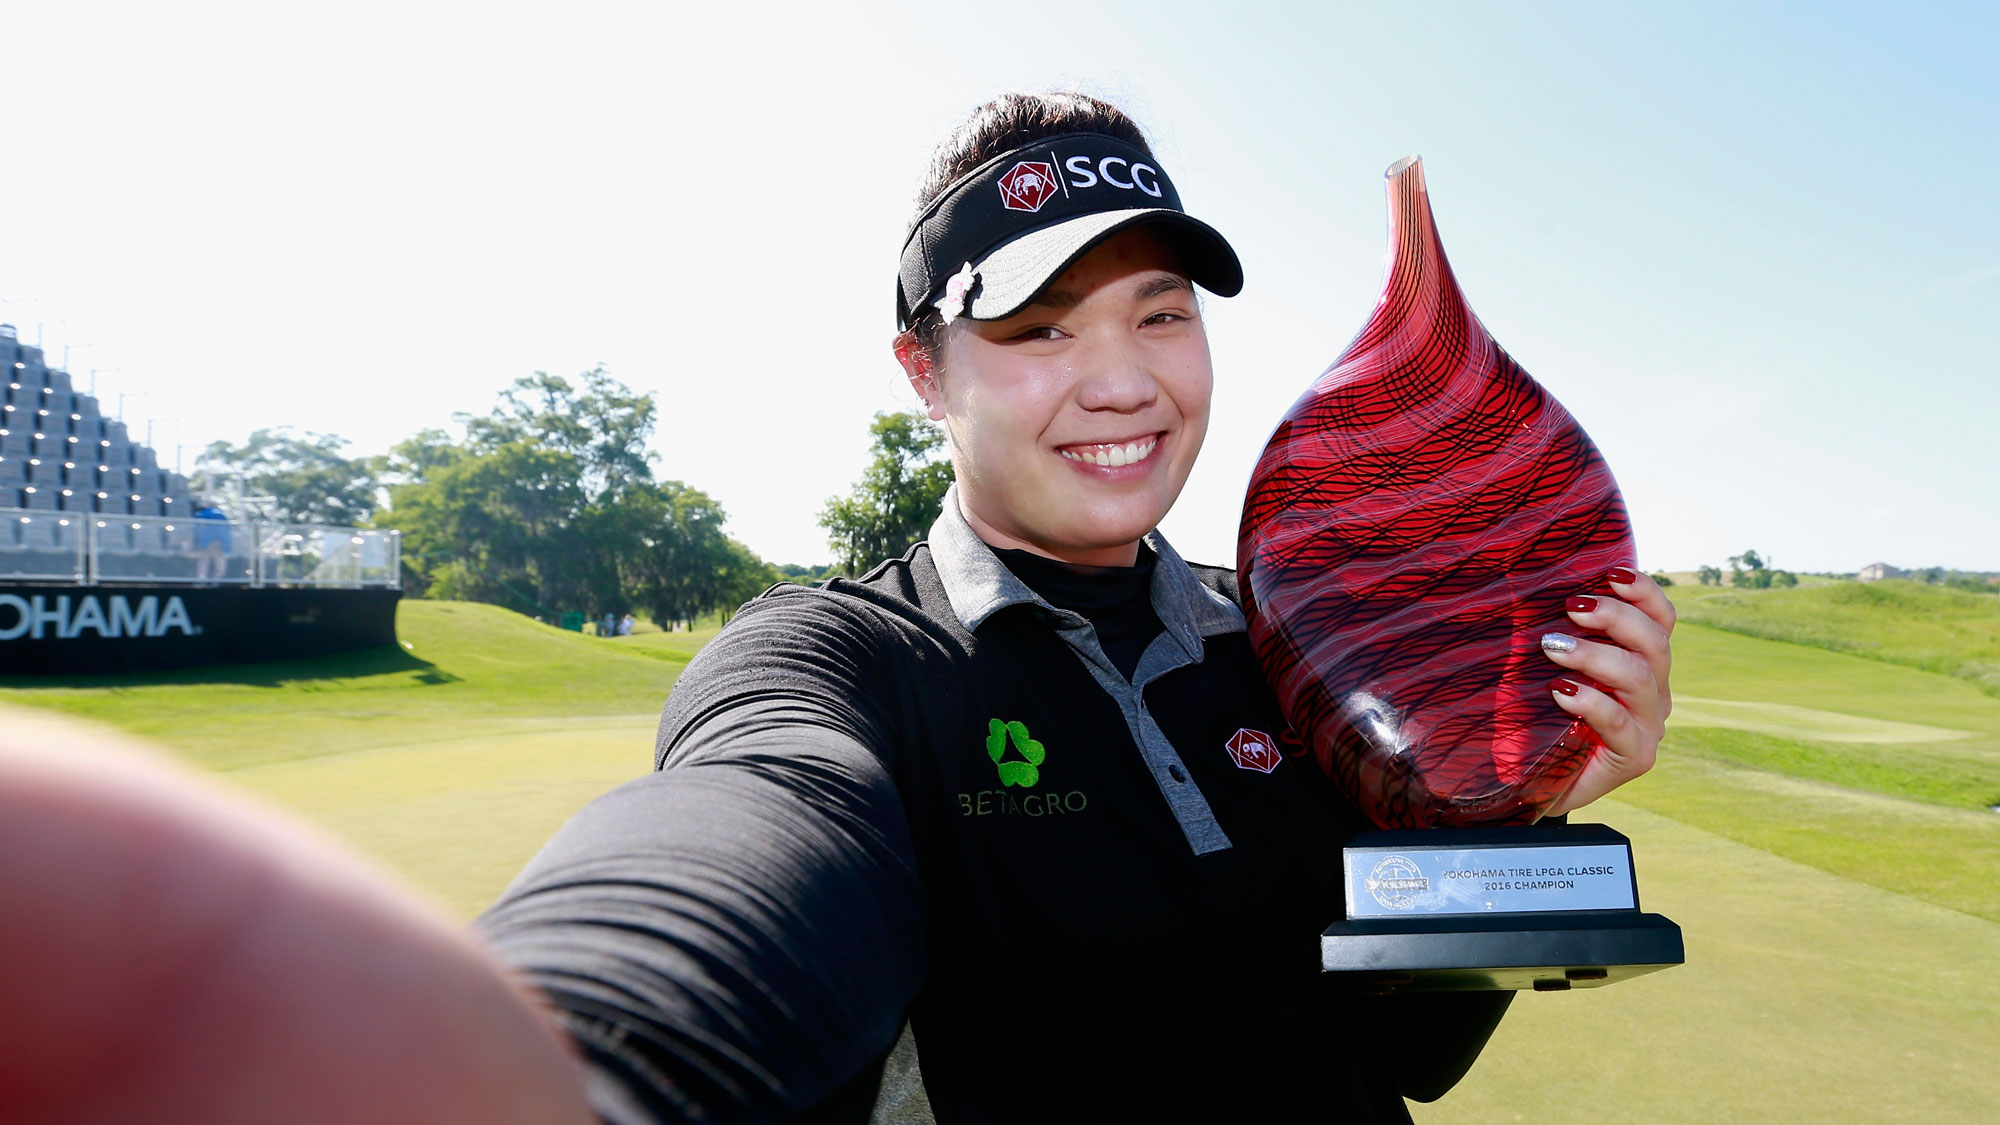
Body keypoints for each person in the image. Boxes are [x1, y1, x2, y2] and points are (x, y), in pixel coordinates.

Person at [0, 93, 1672, 1124]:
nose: (1122, 381)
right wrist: (557, 1062)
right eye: (1035, 330)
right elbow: (734, 847)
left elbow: (1402, 1059)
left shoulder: (1298, 648)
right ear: (923, 375)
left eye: (1161, 314)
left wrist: (1502, 792)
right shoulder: (840, 659)